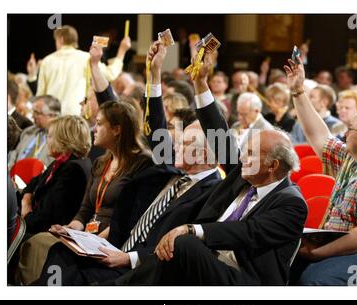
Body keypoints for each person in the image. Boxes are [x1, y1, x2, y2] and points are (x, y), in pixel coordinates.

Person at [34, 40, 222, 285]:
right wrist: (153, 74)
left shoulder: (214, 192)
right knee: (59, 253)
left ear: (207, 155)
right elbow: (156, 128)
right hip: (114, 246)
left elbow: (182, 246)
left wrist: (127, 258)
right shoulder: (175, 173)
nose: (175, 146)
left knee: (74, 275)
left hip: (143, 269)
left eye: (186, 145)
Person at [112, 51, 307, 286]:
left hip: (243, 279)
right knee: (177, 247)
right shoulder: (245, 176)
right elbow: (219, 134)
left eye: (252, 154)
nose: (243, 157)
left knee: (184, 243)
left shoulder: (291, 202)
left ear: (273, 165)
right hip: (204, 262)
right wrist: (200, 82)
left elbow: (247, 232)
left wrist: (193, 230)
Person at [284, 56, 357, 286]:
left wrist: (320, 253)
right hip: (333, 245)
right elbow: (319, 136)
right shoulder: (353, 157)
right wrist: (298, 92)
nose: (344, 133)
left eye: (350, 129)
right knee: (277, 263)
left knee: (313, 280)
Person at [17, 96, 153, 285]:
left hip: (113, 241)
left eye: (99, 124)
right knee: (59, 250)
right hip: (88, 238)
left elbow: (131, 217)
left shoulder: (142, 164)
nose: (94, 129)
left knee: (66, 264)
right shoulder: (101, 163)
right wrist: (69, 230)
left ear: (117, 129)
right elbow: (85, 210)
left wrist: (92, 239)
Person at [20, 115, 92, 235]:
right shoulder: (61, 162)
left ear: (63, 139)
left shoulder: (73, 170)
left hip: (45, 233)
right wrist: (26, 199)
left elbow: (46, 218)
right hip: (34, 224)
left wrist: (26, 211)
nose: (47, 141)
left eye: (49, 136)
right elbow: (34, 182)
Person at [36, 25, 131, 115]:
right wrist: (122, 51)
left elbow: (40, 95)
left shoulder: (46, 61)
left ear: (61, 39)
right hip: (76, 116)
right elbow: (110, 74)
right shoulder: (85, 58)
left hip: (52, 115)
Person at [8, 95, 61, 169]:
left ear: (52, 116)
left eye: (37, 113)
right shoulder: (28, 131)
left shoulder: (59, 140)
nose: (32, 116)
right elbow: (14, 154)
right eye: (33, 112)